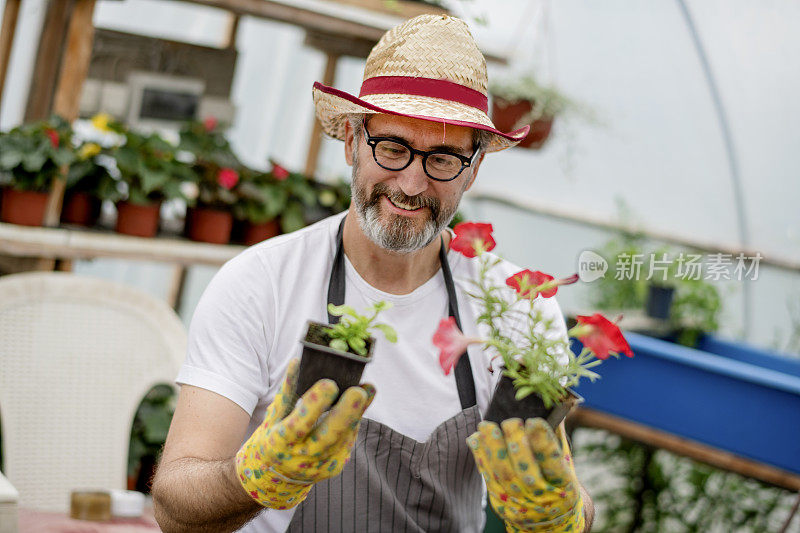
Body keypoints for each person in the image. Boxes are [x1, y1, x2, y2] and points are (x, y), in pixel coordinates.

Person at [152, 14, 594, 533]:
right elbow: (175, 507)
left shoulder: (519, 304)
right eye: (392, 147)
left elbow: (566, 491)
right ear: (351, 141)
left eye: (444, 158)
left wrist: (565, 517)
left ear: (474, 169)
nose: (410, 183)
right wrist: (254, 479)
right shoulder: (260, 284)